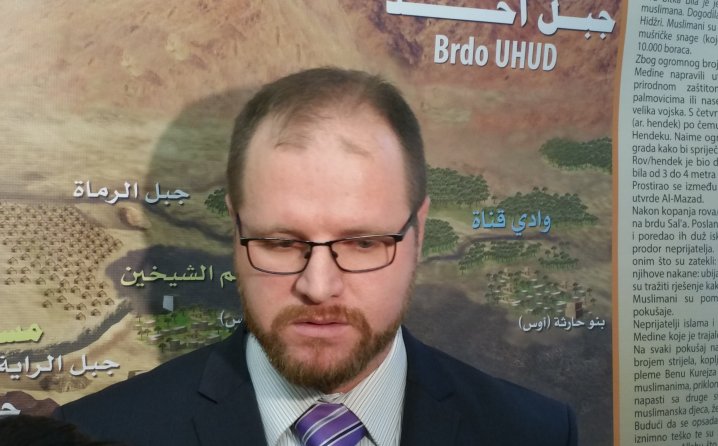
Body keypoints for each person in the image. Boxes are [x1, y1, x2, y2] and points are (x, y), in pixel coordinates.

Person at [55, 67, 577, 446]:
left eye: (363, 242)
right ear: (236, 230)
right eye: (281, 243)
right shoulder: (96, 434)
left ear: (418, 232)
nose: (319, 286)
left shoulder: (533, 433)